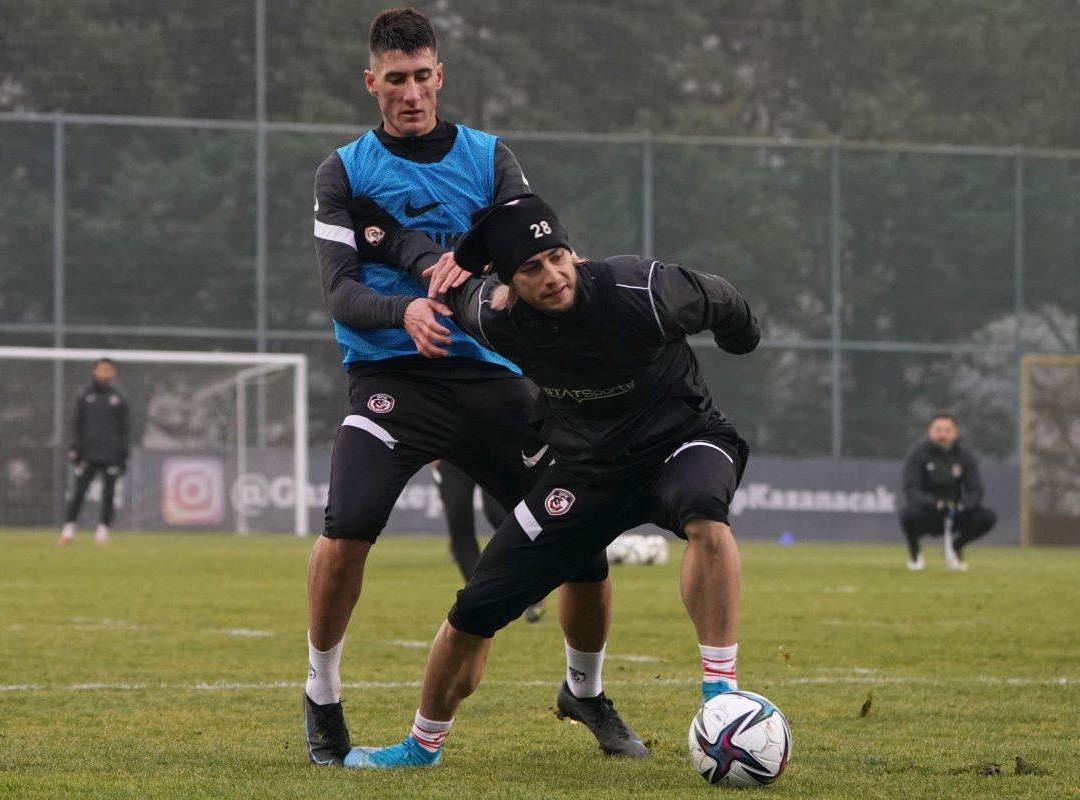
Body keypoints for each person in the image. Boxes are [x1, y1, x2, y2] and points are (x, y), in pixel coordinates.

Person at [338, 191, 760, 768]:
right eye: (533, 268)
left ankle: (721, 698)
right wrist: (381, 231)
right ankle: (421, 745)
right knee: (476, 606)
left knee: (703, 507)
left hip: (682, 443)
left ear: (572, 252)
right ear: (508, 281)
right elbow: (440, 271)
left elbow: (725, 302)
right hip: (588, 472)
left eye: (559, 256)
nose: (553, 275)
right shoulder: (493, 315)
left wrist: (744, 339)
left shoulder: (643, 290)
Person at [304, 8, 622, 766]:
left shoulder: (489, 158)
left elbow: (534, 251)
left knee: (584, 543)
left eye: (422, 77)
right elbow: (340, 291)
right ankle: (321, 696)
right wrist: (405, 306)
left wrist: (475, 273)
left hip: (494, 381)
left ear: (439, 76)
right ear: (370, 81)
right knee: (347, 527)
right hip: (393, 381)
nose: (410, 93)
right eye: (395, 80)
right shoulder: (344, 171)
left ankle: (584, 689)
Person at [433, 461, 545, 622]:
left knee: (497, 512)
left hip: (487, 444)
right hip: (450, 451)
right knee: (458, 519)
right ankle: (480, 599)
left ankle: (533, 586)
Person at [900, 412, 996, 571]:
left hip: (955, 512)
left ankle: (954, 548)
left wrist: (962, 505)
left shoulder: (965, 457)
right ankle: (915, 553)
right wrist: (934, 503)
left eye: (947, 430)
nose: (942, 434)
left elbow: (976, 490)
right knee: (907, 515)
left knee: (987, 517)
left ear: (955, 432)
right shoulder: (917, 456)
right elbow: (911, 490)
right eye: (938, 430)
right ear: (930, 431)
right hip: (929, 512)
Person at [59, 358, 128, 546]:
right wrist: (75, 449)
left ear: (113, 372)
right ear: (94, 371)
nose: (104, 373)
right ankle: (68, 531)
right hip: (87, 454)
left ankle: (102, 532)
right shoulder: (85, 395)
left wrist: (122, 455)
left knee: (109, 494)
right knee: (79, 492)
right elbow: (77, 424)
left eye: (108, 370)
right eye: (101, 369)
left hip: (111, 455)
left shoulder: (119, 398)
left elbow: (124, 430)